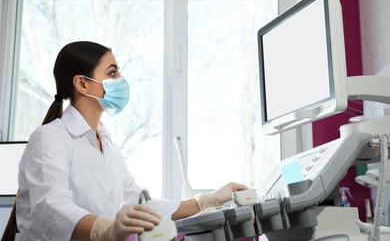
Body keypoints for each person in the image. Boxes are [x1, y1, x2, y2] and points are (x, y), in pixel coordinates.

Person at [6, 41, 248, 241]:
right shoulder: (49, 138)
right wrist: (109, 229)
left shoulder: (109, 146)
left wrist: (208, 200)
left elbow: (141, 204)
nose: (121, 79)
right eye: (112, 73)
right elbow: (51, 208)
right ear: (82, 83)